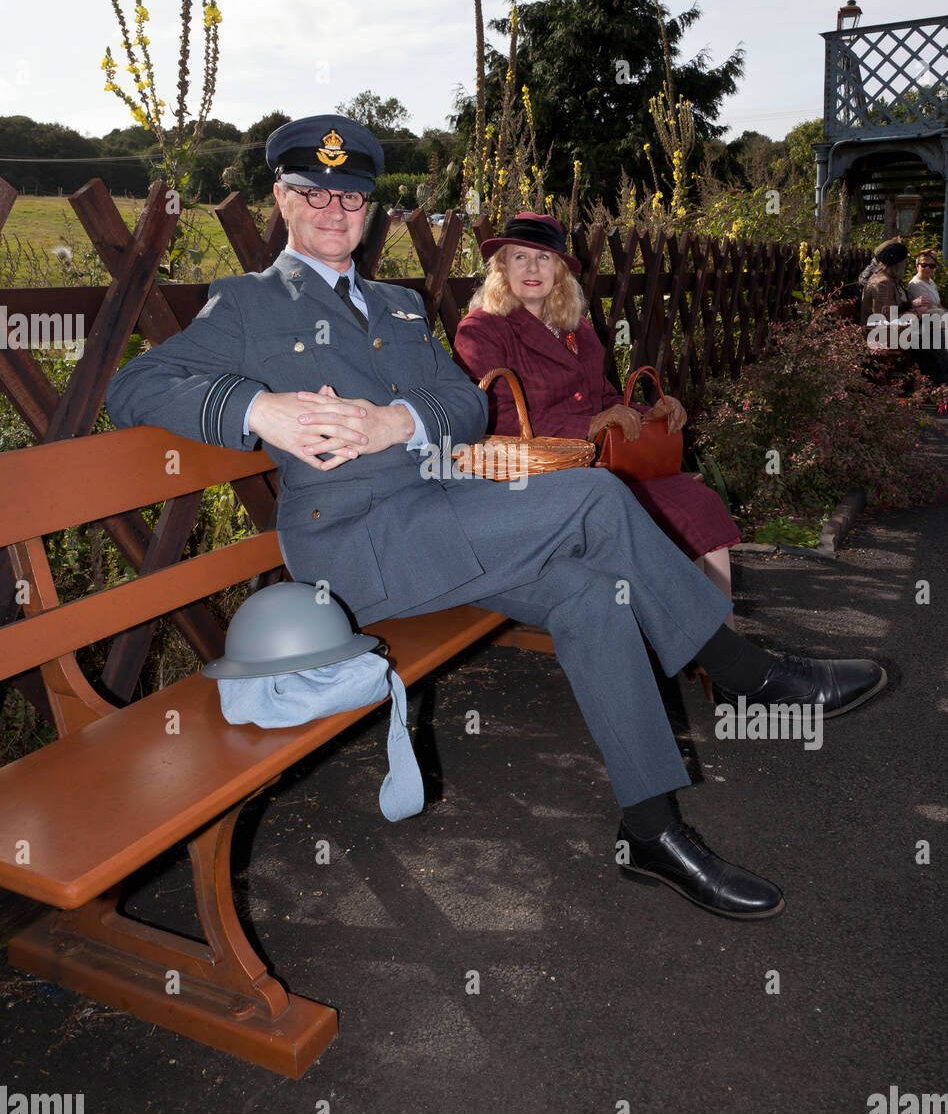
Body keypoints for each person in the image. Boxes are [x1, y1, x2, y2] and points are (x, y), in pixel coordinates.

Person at [106, 114, 887, 924]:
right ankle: (744, 673)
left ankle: (652, 833)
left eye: (351, 197)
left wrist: (398, 421)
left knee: (593, 596)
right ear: (281, 198)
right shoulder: (244, 304)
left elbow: (462, 408)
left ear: (370, 210)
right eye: (313, 194)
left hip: (449, 517)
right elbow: (129, 389)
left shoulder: (398, 306)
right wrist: (257, 407)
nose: (333, 211)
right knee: (592, 494)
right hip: (357, 550)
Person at [451, 212, 739, 620]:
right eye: (520, 257)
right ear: (502, 267)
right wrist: (588, 426)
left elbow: (602, 397)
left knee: (697, 501)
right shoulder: (482, 329)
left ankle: (721, 647)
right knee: (666, 514)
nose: (533, 268)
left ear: (560, 271)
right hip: (535, 475)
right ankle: (705, 648)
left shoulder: (576, 328)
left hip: (599, 465)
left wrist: (649, 411)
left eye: (545, 258)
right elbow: (491, 418)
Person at [862, 238, 948, 384]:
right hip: (882, 335)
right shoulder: (882, 283)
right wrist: (916, 313)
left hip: (896, 330)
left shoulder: (890, 279)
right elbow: (885, 317)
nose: (905, 266)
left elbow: (894, 307)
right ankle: (939, 383)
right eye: (903, 263)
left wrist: (912, 304)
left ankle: (936, 383)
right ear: (896, 264)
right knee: (931, 339)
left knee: (935, 335)